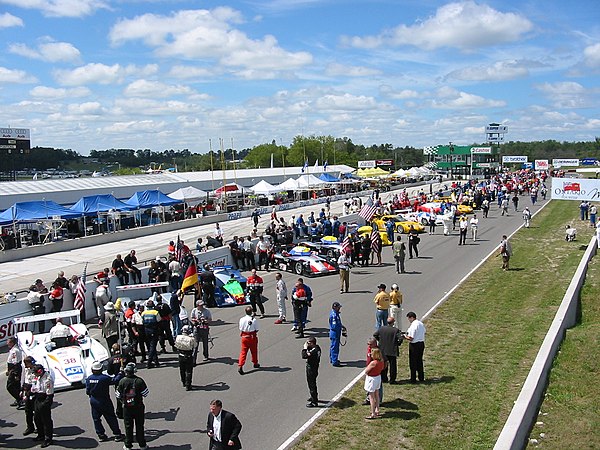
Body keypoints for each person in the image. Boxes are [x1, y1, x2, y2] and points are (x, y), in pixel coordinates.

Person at [85, 361, 125, 443]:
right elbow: (115, 380)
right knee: (111, 417)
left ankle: (101, 435)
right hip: (104, 400)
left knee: (96, 419)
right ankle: (117, 434)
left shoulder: (89, 379)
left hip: (94, 401)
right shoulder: (104, 378)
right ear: (101, 369)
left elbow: (87, 391)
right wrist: (121, 372)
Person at [116, 363, 149, 450]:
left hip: (127, 407)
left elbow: (118, 395)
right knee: (140, 425)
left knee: (128, 426)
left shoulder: (122, 381)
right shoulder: (139, 381)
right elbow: (146, 393)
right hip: (138, 406)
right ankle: (142, 444)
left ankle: (128, 444)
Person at [31, 364, 54, 448]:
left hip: (45, 399)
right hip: (37, 398)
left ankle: (48, 439)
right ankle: (41, 435)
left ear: (40, 371)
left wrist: (45, 404)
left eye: (35, 373)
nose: (34, 375)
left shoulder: (48, 379)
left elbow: (49, 393)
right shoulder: (38, 377)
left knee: (46, 420)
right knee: (36, 418)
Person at [374, 317, 401, 384]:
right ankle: (392, 380)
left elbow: (375, 335)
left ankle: (384, 378)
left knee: (383, 365)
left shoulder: (382, 328)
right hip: (392, 350)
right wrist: (397, 344)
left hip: (383, 349)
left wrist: (380, 341)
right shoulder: (396, 330)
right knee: (393, 366)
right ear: (393, 323)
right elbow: (400, 339)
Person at [404, 311, 426, 383]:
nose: (409, 320)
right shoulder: (421, 323)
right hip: (421, 343)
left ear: (412, 318)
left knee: (413, 362)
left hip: (414, 345)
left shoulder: (413, 325)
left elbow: (411, 337)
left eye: (409, 319)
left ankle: (413, 378)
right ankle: (421, 377)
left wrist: (404, 337)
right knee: (419, 361)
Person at [238, 306, 260, 375]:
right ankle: (255, 362)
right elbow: (257, 329)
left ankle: (240, 365)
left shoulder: (241, 319)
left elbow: (240, 328)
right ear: (251, 312)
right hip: (252, 337)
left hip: (244, 337)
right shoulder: (254, 320)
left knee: (243, 352)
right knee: (254, 351)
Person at [364, 348, 384, 420]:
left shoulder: (373, 363)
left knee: (371, 397)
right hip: (378, 377)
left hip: (372, 379)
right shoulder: (381, 361)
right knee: (377, 394)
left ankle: (373, 413)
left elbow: (366, 371)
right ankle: (377, 409)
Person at [174, 325, 197, 390]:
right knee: (189, 371)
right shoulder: (191, 339)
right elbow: (195, 345)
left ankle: (183, 382)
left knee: (182, 370)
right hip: (188, 356)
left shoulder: (178, 337)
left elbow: (176, 345)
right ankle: (188, 385)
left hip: (181, 355)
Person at [141, 300, 161, 369]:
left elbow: (142, 321)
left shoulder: (143, 313)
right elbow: (159, 320)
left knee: (151, 345)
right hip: (153, 330)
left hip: (146, 330)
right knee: (153, 346)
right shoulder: (155, 312)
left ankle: (156, 361)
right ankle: (149, 362)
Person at [302, 337, 321, 408]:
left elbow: (304, 356)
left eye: (309, 343)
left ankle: (314, 402)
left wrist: (304, 348)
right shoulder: (317, 348)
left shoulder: (314, 351)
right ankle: (314, 397)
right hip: (315, 367)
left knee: (311, 384)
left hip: (311, 369)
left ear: (312, 343)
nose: (307, 344)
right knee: (313, 383)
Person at [21, 356, 37, 436]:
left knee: (37, 412)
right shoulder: (26, 370)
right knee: (28, 411)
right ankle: (30, 427)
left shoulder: (36, 369)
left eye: (27, 363)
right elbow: (24, 379)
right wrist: (23, 391)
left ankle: (40, 427)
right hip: (27, 391)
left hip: (35, 392)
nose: (26, 365)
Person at [6, 336, 23, 407]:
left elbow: (15, 363)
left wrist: (16, 374)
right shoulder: (13, 350)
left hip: (14, 370)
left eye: (8, 342)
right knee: (16, 387)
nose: (7, 344)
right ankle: (18, 399)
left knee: (10, 386)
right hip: (12, 370)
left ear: (12, 343)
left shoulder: (15, 351)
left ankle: (19, 399)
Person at [328, 302, 346, 367]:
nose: (339, 308)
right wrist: (340, 328)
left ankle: (332, 359)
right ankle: (334, 361)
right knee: (335, 347)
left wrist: (342, 326)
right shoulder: (334, 315)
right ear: (335, 307)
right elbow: (334, 326)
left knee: (333, 346)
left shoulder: (336, 314)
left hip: (335, 332)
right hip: (335, 333)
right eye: (338, 307)